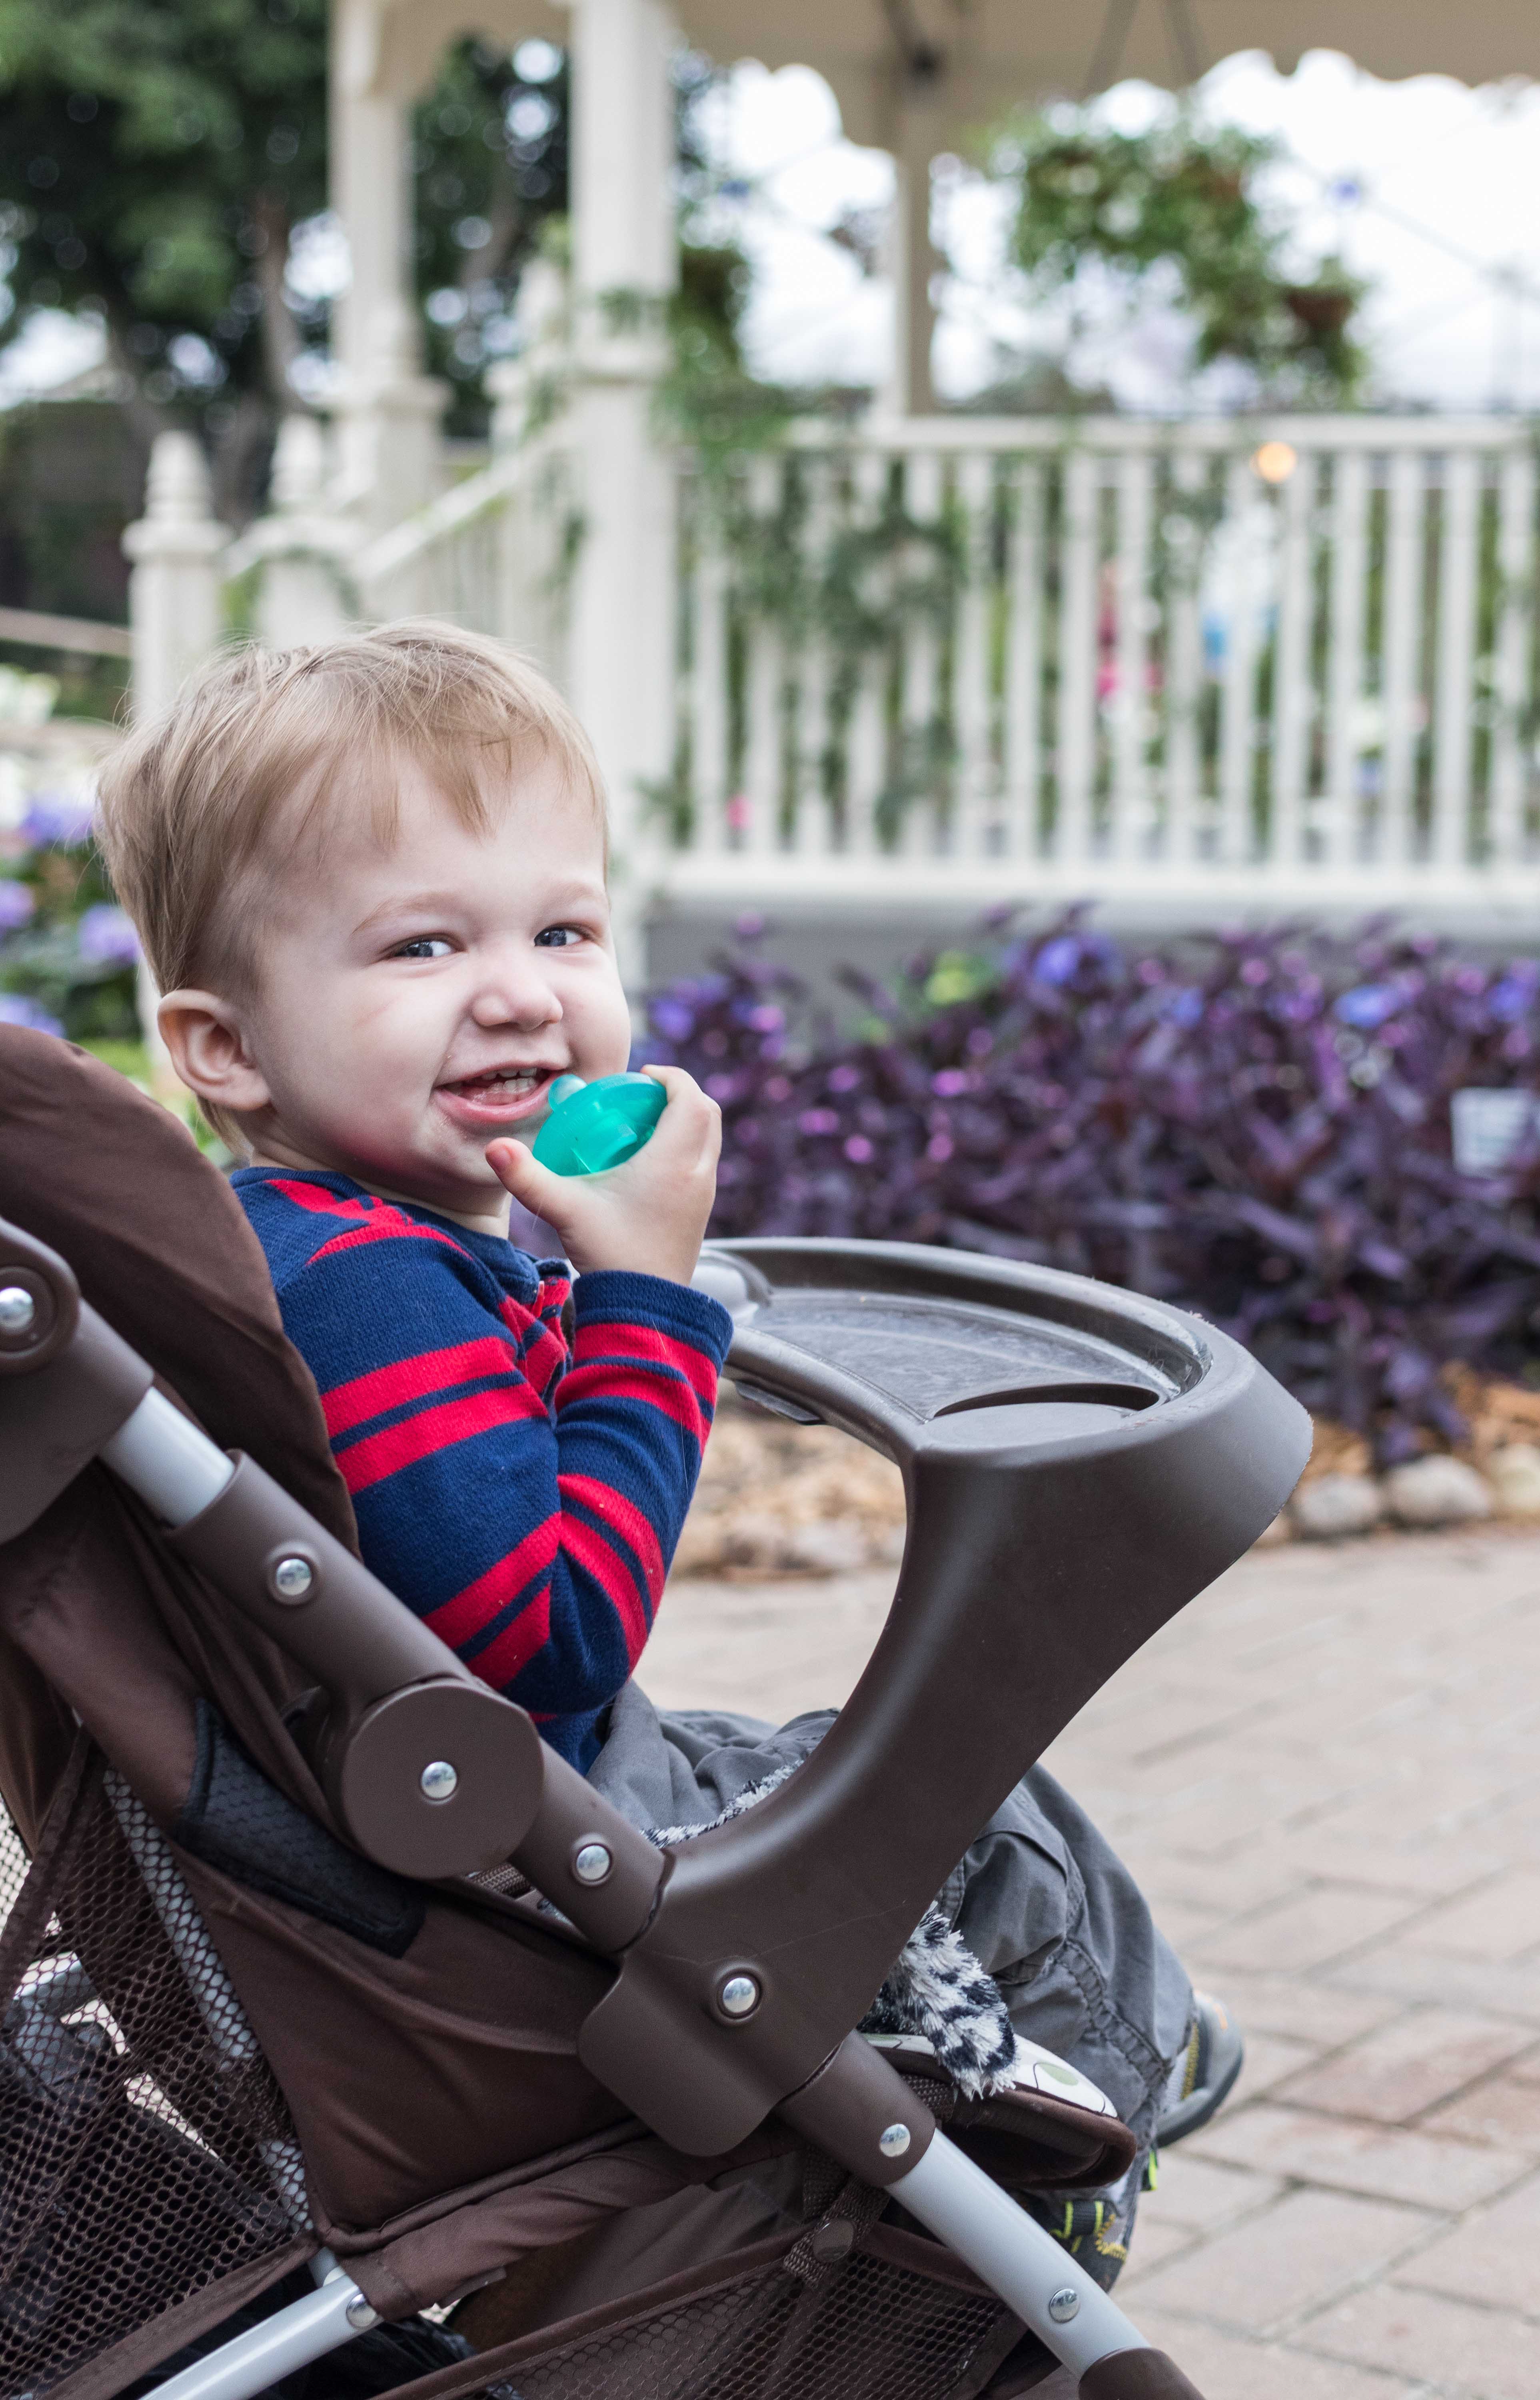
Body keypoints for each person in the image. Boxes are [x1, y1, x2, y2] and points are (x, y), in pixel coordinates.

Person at [96, 620, 1238, 2286]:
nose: (519, 989)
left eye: (563, 926)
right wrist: (641, 1303)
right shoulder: (366, 1292)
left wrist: (571, 1289)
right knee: (959, 1813)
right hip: (511, 1864)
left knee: (809, 1756)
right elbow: (546, 1638)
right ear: (226, 1048)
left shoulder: (316, 1243)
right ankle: (1064, 2162)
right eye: (419, 946)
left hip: (413, 1843)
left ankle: (1070, 2098)